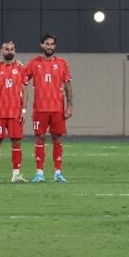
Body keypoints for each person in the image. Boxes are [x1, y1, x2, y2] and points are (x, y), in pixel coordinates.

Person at [26, 33, 73, 183]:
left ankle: (58, 172)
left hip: (57, 108)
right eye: (47, 44)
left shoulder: (62, 63)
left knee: (57, 139)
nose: (50, 47)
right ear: (41, 45)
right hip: (40, 108)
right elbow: (23, 81)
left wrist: (70, 106)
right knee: (39, 139)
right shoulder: (33, 63)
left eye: (52, 44)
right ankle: (39, 172)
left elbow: (67, 86)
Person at [0, 41, 27, 182]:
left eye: (11, 49)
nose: (9, 51)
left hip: (15, 113)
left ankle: (16, 174)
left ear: (15, 51)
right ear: (1, 51)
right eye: (6, 49)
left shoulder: (21, 68)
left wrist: (24, 110)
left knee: (17, 142)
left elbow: (25, 90)